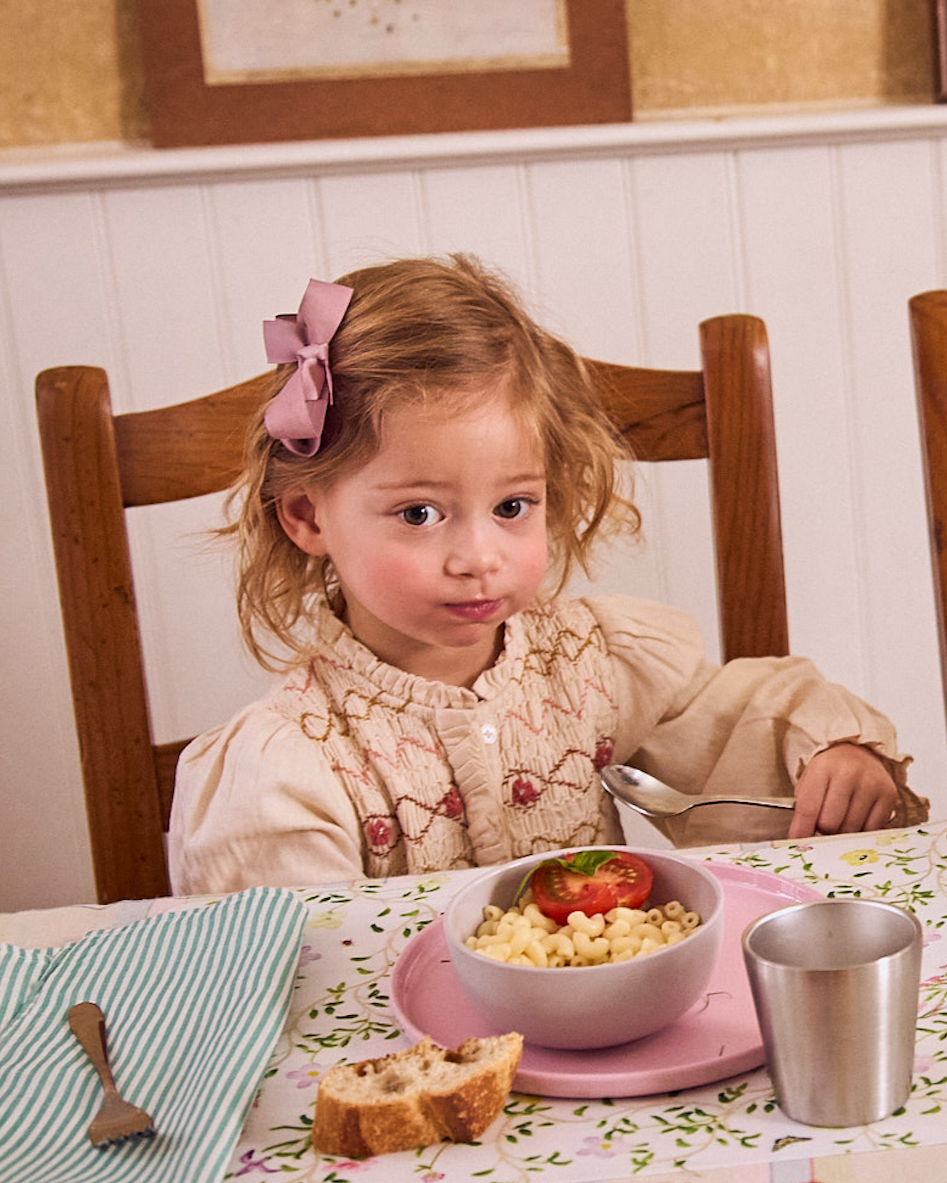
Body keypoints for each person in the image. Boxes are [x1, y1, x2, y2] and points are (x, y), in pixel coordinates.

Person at [168, 254, 927, 895]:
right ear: (306, 517)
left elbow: (737, 714)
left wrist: (830, 753)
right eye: (419, 515)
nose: (478, 557)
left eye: (511, 504)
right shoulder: (292, 763)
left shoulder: (590, 661)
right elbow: (300, 976)